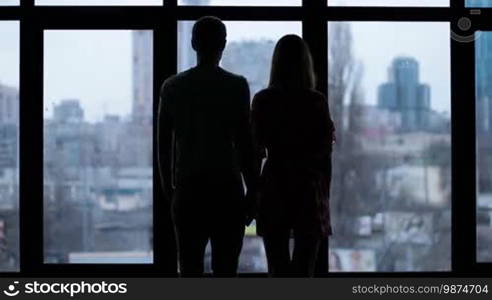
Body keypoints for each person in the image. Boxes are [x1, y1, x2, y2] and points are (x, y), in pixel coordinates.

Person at [158, 16, 258, 277]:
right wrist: (253, 192)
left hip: (189, 190)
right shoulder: (236, 86)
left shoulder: (172, 87)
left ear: (193, 44)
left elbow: (164, 147)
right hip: (227, 191)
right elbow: (246, 145)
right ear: (223, 44)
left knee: (189, 269)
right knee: (226, 270)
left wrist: (170, 192)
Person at [252, 34, 334, 277]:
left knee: (277, 267)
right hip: (308, 186)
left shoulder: (264, 100)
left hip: (275, 184)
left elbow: (255, 151)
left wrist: (253, 191)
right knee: (304, 269)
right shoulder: (316, 102)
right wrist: (324, 193)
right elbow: (325, 155)